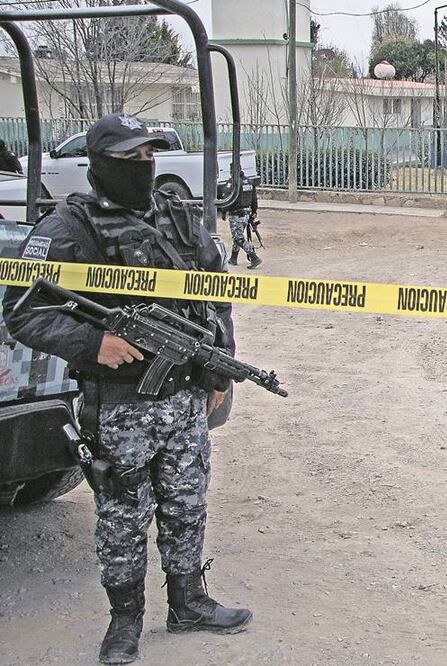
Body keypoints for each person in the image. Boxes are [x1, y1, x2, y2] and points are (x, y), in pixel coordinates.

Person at [1, 113, 251, 665]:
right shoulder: (69, 229)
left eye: (148, 156)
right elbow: (23, 311)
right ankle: (125, 621)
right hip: (118, 404)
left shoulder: (177, 219)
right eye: (130, 158)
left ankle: (188, 602)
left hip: (184, 397)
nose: (144, 166)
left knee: (186, 504)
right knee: (123, 516)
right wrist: (94, 345)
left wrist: (220, 370)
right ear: (99, 164)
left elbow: (216, 295)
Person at [220, 170, 262, 269]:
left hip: (236, 214)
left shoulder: (232, 182)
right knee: (237, 235)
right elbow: (254, 198)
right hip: (246, 214)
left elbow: (226, 198)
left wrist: (223, 211)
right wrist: (254, 212)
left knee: (238, 238)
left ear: (232, 171)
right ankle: (233, 258)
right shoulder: (249, 182)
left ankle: (254, 257)